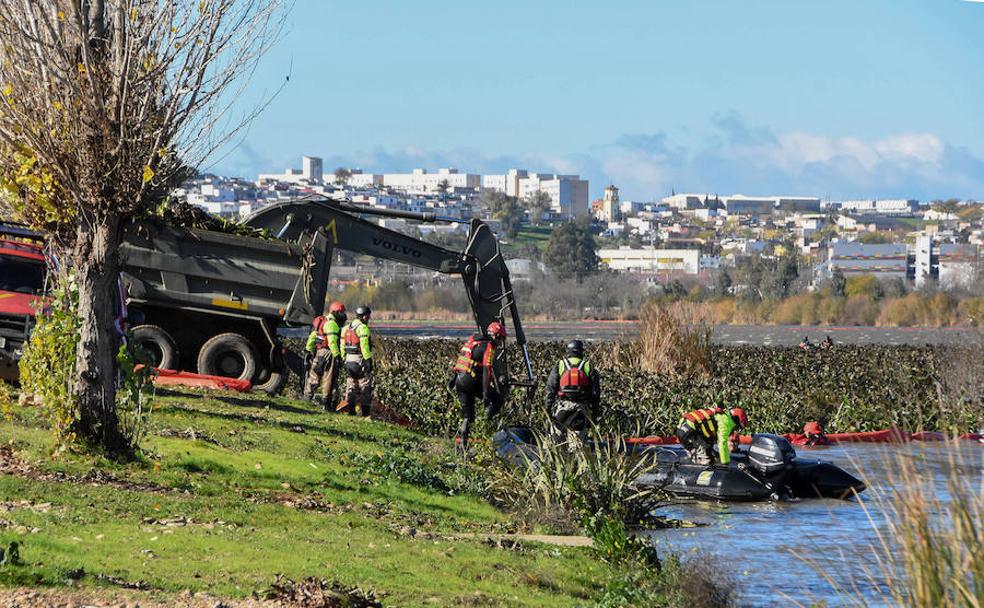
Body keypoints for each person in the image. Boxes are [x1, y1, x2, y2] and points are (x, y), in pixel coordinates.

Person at [451, 321, 507, 452]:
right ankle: (484, 424)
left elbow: (462, 360)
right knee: (497, 400)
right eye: (501, 339)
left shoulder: (473, 340)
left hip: (459, 380)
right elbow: (487, 370)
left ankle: (463, 447)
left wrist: (453, 379)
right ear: (496, 336)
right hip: (471, 381)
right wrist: (486, 391)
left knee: (468, 416)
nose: (500, 343)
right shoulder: (489, 346)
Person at [544, 339, 601, 440]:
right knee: (578, 447)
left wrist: (547, 410)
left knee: (554, 442)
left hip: (562, 408)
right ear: (581, 352)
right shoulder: (588, 367)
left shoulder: (560, 365)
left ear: (568, 351)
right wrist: (594, 416)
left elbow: (550, 390)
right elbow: (595, 394)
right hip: (580, 409)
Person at [304, 301, 346, 408]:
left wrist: (308, 350)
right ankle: (325, 402)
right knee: (328, 377)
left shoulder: (322, 321)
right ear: (336, 312)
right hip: (329, 352)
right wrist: (337, 356)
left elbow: (313, 336)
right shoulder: (332, 324)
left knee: (314, 375)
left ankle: (307, 398)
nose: (344, 315)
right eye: (342, 312)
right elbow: (332, 342)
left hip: (319, 352)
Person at [675, 406, 749, 466]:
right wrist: (725, 463)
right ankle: (703, 480)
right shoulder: (726, 422)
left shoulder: (720, 415)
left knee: (706, 455)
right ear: (736, 419)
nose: (736, 429)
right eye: (739, 426)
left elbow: (707, 437)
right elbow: (722, 442)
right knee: (708, 460)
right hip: (690, 432)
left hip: (684, 429)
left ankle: (685, 467)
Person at [341, 305, 373, 417]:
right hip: (359, 359)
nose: (369, 319)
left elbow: (342, 345)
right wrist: (368, 359)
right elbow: (364, 345)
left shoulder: (347, 328)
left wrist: (343, 358)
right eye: (368, 316)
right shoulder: (363, 328)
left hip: (348, 359)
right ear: (364, 316)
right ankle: (365, 413)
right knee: (365, 384)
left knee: (351, 384)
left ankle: (351, 411)